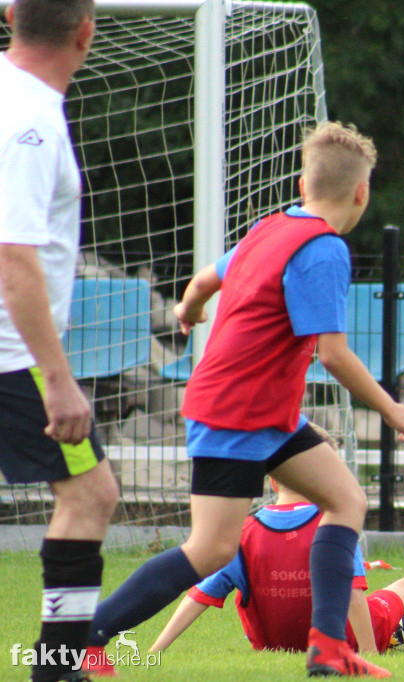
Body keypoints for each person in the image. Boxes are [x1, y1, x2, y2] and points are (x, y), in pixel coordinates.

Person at [83, 121, 404, 679]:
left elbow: (203, 282)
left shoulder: (270, 229)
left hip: (267, 414)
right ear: (362, 193)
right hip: (235, 413)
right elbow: (333, 354)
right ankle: (88, 637)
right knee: (212, 550)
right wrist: (391, 408)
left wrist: (189, 311)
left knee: (346, 500)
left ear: (302, 185)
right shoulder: (325, 251)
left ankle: (328, 648)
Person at [149, 431, 404, 657]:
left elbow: (198, 597)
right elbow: (353, 594)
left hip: (271, 645)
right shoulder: (336, 523)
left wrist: (155, 651)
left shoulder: (242, 532)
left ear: (273, 481)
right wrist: (368, 656)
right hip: (340, 643)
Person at [0, 2, 121, 681]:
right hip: (13, 356)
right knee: (90, 493)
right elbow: (13, 259)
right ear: (86, 31)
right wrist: (58, 378)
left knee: (90, 492)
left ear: (10, 15)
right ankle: (56, 670)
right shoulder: (31, 123)